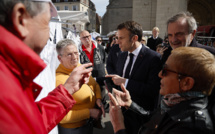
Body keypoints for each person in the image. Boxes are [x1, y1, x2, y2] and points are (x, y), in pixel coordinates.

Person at [0, 0, 93, 133]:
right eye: (47, 22)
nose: (49, 33)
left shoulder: (10, 72)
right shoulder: (5, 85)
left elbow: (31, 122)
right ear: (21, 19)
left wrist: (67, 89)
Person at [109, 47, 215, 134]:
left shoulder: (190, 128)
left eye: (165, 71)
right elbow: (155, 120)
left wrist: (119, 127)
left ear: (186, 83)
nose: (159, 74)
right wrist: (130, 104)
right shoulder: (175, 101)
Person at [106, 21, 161, 134]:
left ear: (134, 38)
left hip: (141, 117)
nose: (117, 41)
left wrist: (125, 82)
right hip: (122, 115)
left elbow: (153, 90)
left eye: (121, 38)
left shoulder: (153, 58)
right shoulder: (121, 55)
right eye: (117, 37)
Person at [55, 39, 105, 134]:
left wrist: (98, 98)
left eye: (76, 53)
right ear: (59, 58)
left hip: (87, 124)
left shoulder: (79, 67)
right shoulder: (59, 80)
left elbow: (94, 84)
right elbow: (61, 117)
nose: (74, 57)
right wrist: (89, 112)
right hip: (73, 129)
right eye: (69, 54)